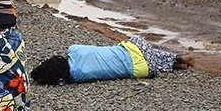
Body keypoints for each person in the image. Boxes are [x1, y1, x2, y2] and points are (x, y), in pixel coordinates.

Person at [30, 35, 192, 85]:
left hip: (142, 70)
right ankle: (177, 58)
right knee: (142, 52)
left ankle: (177, 66)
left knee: (148, 64)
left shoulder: (76, 76)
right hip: (136, 47)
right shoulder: (74, 49)